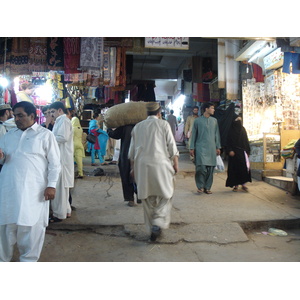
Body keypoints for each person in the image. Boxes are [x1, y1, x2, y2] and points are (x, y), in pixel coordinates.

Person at [0, 101, 61, 262]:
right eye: (15, 116)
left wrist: (51, 185)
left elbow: (55, 164)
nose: (16, 119)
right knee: (6, 228)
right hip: (8, 189)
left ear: (32, 116)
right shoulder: (9, 135)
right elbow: (4, 158)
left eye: (20, 115)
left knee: (31, 227)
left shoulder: (45, 135)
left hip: (34, 191)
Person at [128, 102, 179, 241]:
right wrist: (175, 164)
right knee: (166, 195)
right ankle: (158, 222)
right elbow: (172, 147)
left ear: (147, 113)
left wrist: (133, 168)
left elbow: (131, 152)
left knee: (147, 198)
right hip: (161, 164)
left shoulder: (138, 127)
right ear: (159, 112)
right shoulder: (164, 125)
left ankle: (152, 229)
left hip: (142, 166)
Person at [49, 101, 74, 222]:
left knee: (60, 189)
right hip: (61, 157)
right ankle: (66, 210)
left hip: (62, 158)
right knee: (63, 188)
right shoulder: (60, 121)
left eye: (53, 112)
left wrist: (48, 138)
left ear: (60, 110)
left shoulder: (63, 121)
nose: (51, 114)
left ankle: (59, 214)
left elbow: (63, 137)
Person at [189, 102, 221, 194]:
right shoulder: (197, 121)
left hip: (211, 147)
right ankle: (200, 186)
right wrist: (192, 148)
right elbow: (194, 135)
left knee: (210, 168)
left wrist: (218, 146)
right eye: (212, 108)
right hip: (200, 147)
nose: (213, 110)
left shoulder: (214, 121)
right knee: (201, 168)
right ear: (206, 109)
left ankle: (207, 187)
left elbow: (217, 134)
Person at [107, 125, 140, 207]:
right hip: (140, 155)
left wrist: (108, 129)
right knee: (140, 176)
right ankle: (140, 194)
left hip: (126, 154)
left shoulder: (125, 126)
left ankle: (130, 199)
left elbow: (115, 135)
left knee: (126, 175)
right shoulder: (142, 125)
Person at [225, 116, 252, 192]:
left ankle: (243, 184)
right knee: (234, 169)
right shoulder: (230, 130)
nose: (238, 122)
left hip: (242, 153)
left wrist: (247, 151)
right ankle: (235, 185)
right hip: (233, 153)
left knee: (243, 168)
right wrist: (229, 150)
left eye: (240, 120)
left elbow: (246, 141)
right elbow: (228, 142)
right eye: (237, 120)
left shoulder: (243, 129)